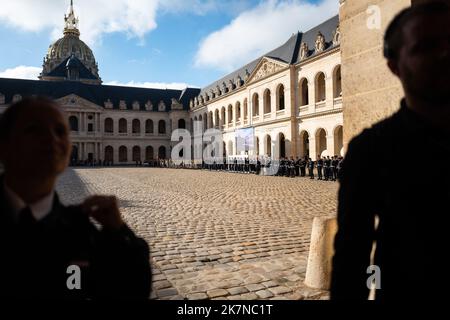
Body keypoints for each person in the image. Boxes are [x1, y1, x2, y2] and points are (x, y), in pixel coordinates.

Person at [331, 1, 450, 300]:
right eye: (426, 46)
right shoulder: (369, 149)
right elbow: (351, 257)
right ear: (394, 66)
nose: (445, 53)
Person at [0, 96, 151, 299]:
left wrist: (120, 233)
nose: (52, 139)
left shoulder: (77, 228)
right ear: (4, 143)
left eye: (61, 131)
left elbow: (128, 292)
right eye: (34, 129)